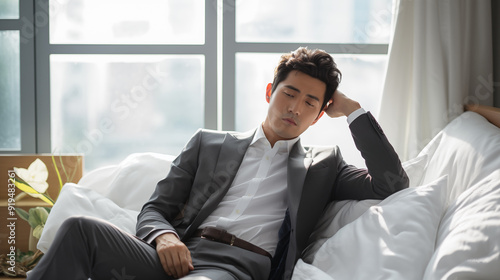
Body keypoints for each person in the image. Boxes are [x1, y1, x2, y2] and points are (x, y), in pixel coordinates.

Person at [27, 47, 408, 280]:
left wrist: (354, 112)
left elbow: (390, 182)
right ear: (269, 93)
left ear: (319, 116)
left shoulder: (324, 166)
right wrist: (165, 237)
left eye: (311, 102)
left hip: (235, 269)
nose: (295, 107)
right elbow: (156, 208)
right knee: (79, 229)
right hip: (174, 255)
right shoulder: (209, 144)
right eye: (289, 93)